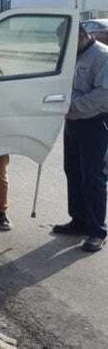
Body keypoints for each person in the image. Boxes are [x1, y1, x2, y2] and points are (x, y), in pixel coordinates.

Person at [54, 24, 108, 252]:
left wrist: (71, 106)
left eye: (65, 41)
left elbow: (103, 95)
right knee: (73, 170)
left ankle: (97, 230)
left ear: (82, 36)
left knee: (93, 176)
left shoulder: (102, 56)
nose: (62, 47)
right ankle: (78, 220)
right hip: (73, 122)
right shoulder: (72, 55)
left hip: (95, 123)